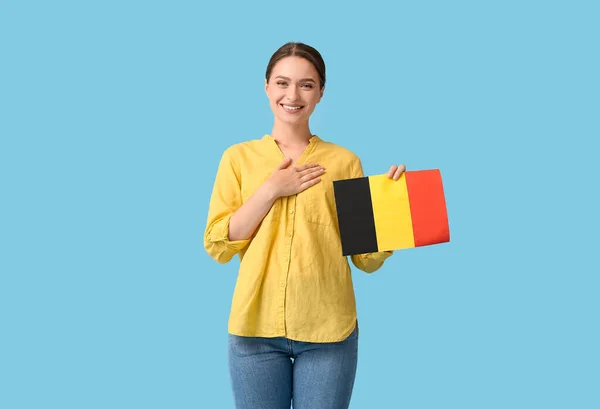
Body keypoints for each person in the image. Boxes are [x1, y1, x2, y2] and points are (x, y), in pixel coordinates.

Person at [204, 42, 406, 409]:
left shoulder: (345, 162)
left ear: (321, 92)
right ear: (266, 86)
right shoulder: (238, 158)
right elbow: (219, 245)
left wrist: (391, 208)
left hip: (329, 331)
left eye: (306, 85)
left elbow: (366, 258)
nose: (292, 95)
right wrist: (270, 190)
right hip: (254, 332)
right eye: (282, 83)